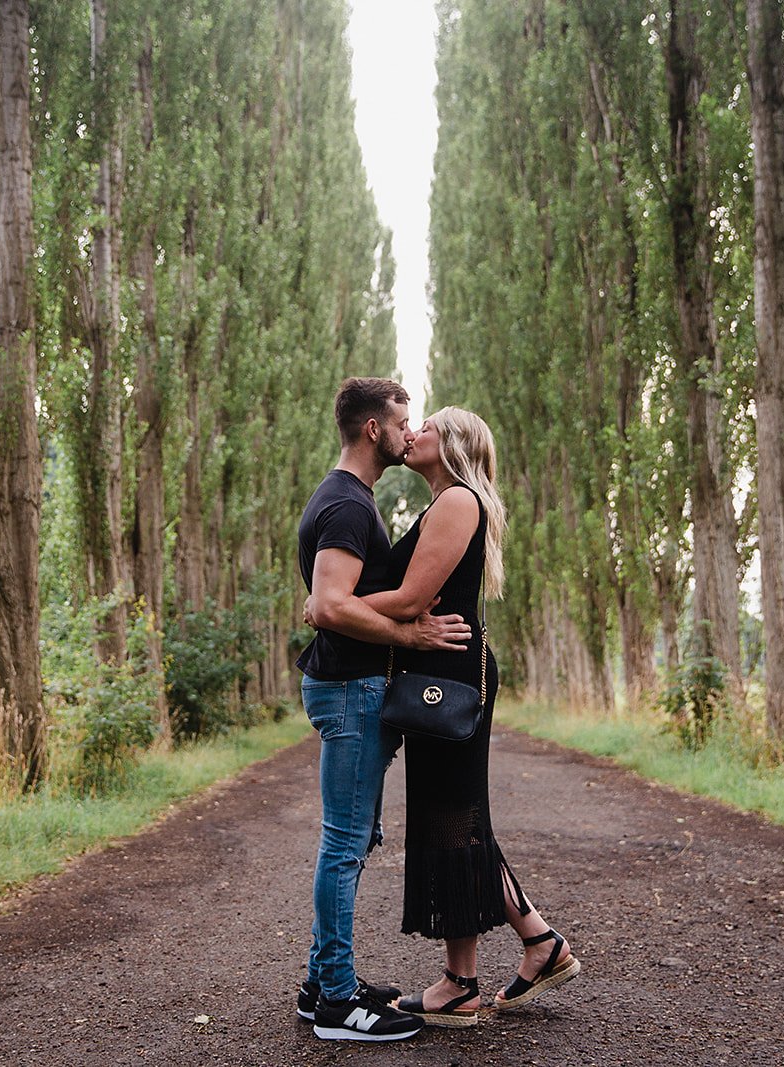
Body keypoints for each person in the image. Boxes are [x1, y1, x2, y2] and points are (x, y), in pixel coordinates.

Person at [360, 406, 580, 1027]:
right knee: (454, 817)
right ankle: (538, 943)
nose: (413, 432)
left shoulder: (458, 501)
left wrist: (334, 603)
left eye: (425, 425)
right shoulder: (444, 504)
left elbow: (408, 600)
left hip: (452, 677)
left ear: (451, 443)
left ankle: (462, 982)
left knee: (453, 820)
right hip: (443, 672)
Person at [295, 377, 473, 1043]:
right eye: (402, 422)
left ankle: (321, 982)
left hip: (351, 687)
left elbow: (332, 602)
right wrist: (411, 634)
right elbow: (333, 604)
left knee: (350, 838)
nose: (409, 432)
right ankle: (338, 1001)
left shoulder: (348, 498)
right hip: (350, 688)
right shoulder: (345, 504)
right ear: (374, 428)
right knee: (343, 843)